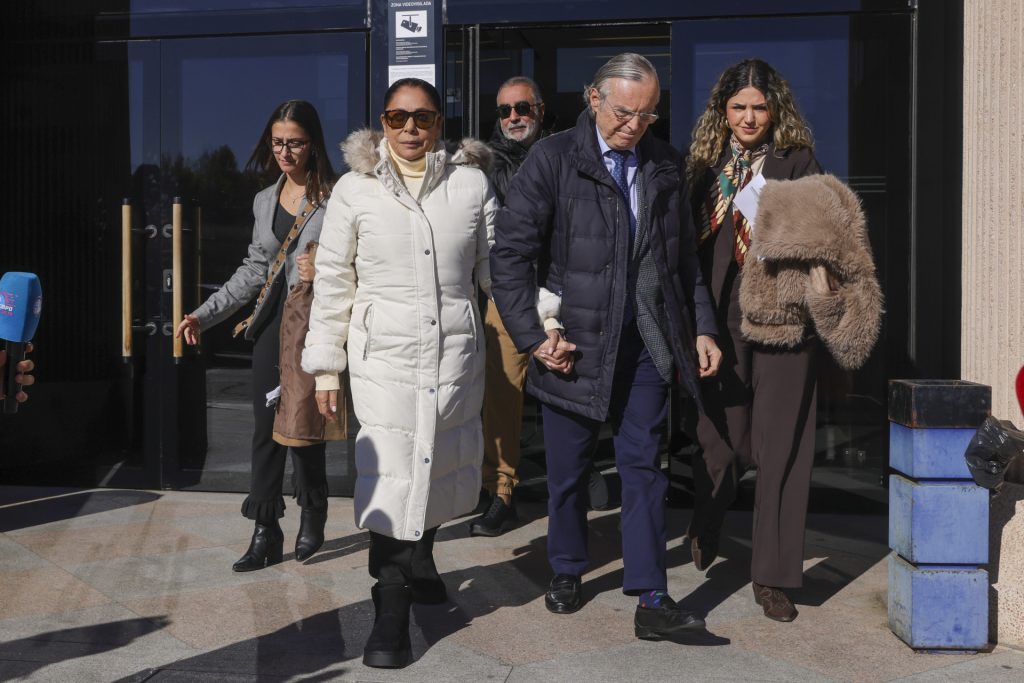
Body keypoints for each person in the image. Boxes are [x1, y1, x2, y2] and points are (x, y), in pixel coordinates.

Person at [490, 53, 722, 640]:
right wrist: (533, 335)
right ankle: (567, 568)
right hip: (573, 342)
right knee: (568, 471)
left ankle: (651, 595)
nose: (634, 125)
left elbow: (684, 262)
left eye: (647, 115)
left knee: (644, 469)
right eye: (623, 112)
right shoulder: (552, 159)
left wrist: (702, 326)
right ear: (594, 99)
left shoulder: (665, 163)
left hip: (646, 342)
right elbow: (510, 257)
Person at [302, 78, 496, 668]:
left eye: (423, 117)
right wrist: (326, 368)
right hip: (382, 356)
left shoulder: (470, 183)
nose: (410, 128)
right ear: (382, 123)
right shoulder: (354, 189)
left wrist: (546, 320)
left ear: (440, 123)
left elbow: (501, 268)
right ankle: (390, 604)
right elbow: (334, 280)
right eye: (397, 117)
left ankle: (422, 557)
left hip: (453, 353)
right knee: (390, 472)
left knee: (435, 458)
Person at [686, 58, 880, 622]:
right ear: (722, 110)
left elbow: (829, 237)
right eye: (738, 107)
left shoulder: (798, 162)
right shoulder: (702, 166)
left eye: (759, 107)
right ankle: (709, 514)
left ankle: (772, 576)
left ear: (776, 111)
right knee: (721, 440)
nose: (749, 118)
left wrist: (779, 213)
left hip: (785, 318)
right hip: (718, 319)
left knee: (783, 449)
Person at [176, 100, 336, 571]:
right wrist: (203, 315)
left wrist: (323, 267)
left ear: (313, 144)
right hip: (270, 325)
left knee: (302, 421)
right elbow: (253, 270)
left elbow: (361, 259)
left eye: (295, 143)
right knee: (265, 428)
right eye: (277, 142)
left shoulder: (339, 196)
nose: (284, 152)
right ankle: (265, 530)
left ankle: (313, 507)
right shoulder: (264, 199)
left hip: (312, 324)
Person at [470, 75, 548, 537]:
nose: (514, 117)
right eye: (505, 111)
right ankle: (499, 491)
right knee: (501, 394)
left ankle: (576, 479)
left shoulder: (564, 153)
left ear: (540, 110)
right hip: (506, 290)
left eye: (523, 108)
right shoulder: (481, 166)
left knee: (569, 386)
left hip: (560, 288)